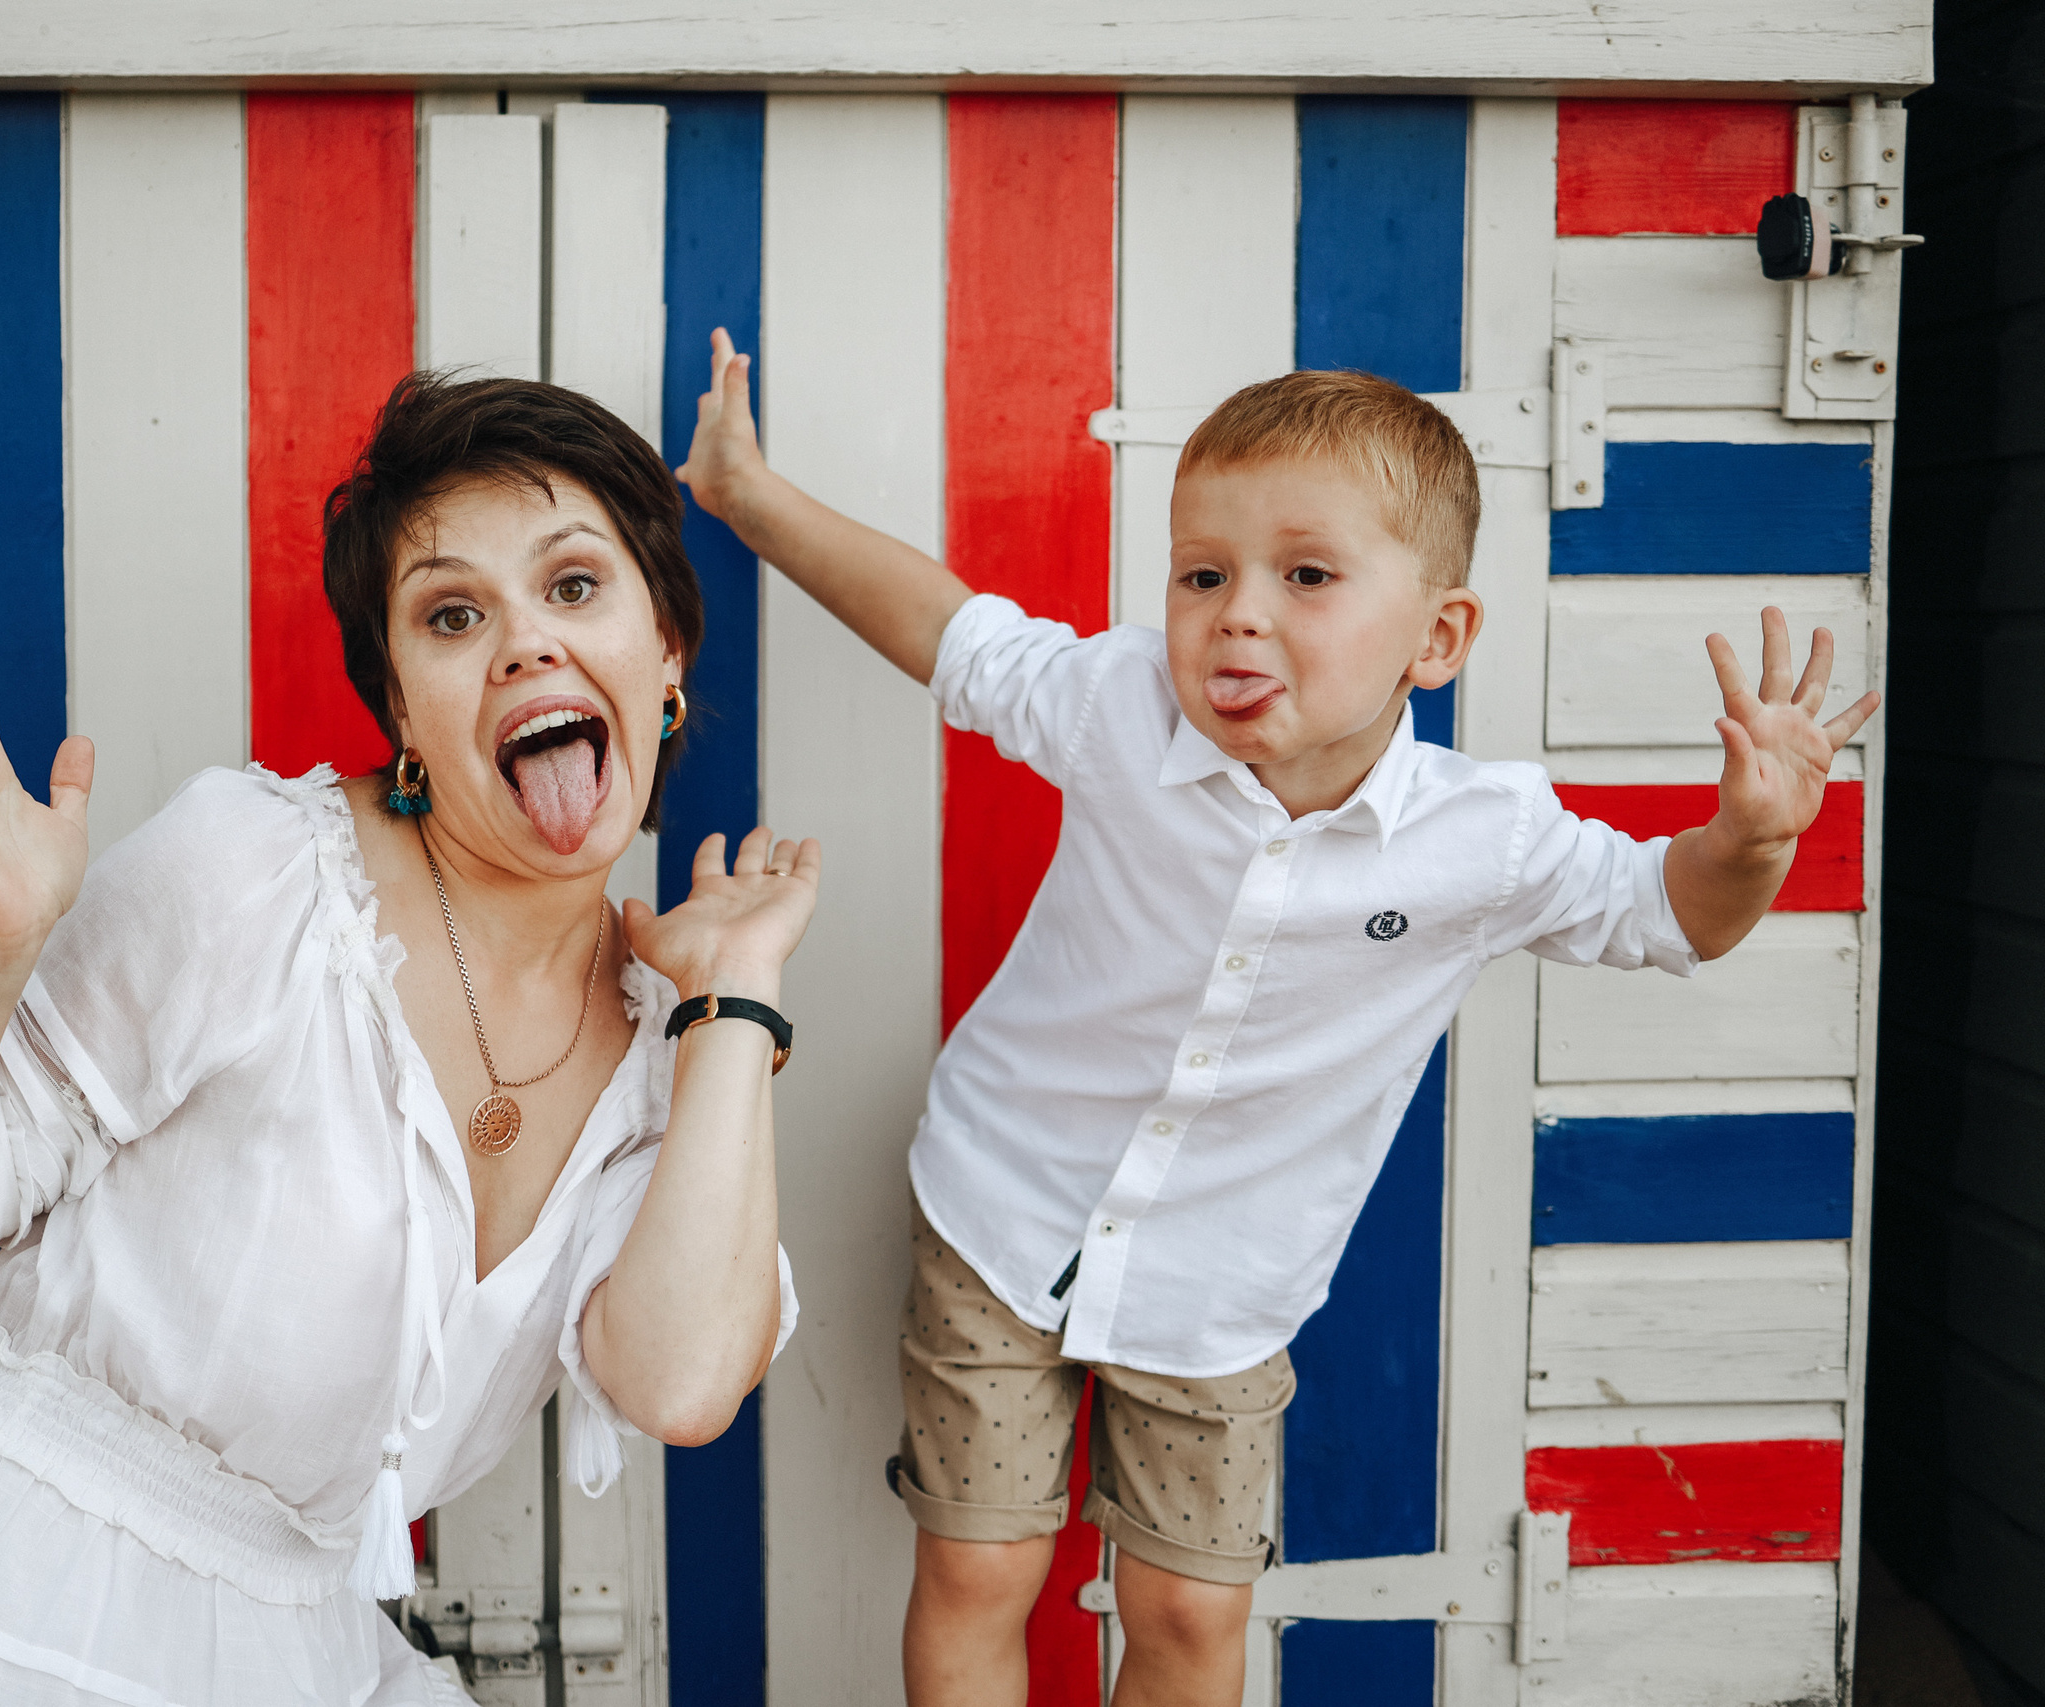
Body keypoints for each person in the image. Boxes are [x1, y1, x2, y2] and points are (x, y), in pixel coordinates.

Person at [675, 339, 1879, 1707]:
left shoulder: (1488, 840)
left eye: (1306, 577)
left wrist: (1754, 839)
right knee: (980, 1573)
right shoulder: (1118, 707)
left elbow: (1677, 915)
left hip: (1224, 1281)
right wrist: (748, 494)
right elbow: (943, 626)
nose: (1236, 615)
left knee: (1188, 1610)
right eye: (1203, 574)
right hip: (1004, 1209)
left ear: (1438, 638)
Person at [0, 373, 818, 1707]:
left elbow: (684, 1384)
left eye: (575, 587)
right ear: (402, 710)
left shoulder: (662, 1060)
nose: (526, 644)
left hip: (286, 1643)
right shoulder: (260, 873)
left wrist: (733, 1004)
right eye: (454, 614)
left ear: (669, 650)